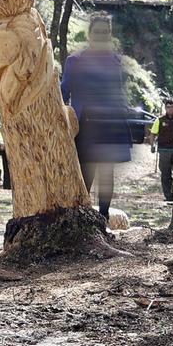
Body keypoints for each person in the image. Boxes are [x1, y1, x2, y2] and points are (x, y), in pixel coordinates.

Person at [60, 14, 132, 220]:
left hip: (110, 124)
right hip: (85, 125)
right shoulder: (75, 61)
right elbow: (63, 91)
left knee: (107, 174)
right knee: (85, 173)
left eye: (105, 32)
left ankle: (102, 216)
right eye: (97, 31)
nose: (101, 35)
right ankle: (82, 215)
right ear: (89, 34)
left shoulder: (116, 61)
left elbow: (117, 91)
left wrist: (123, 107)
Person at [149, 99, 173, 204]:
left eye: (172, 107)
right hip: (163, 150)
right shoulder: (159, 120)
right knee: (165, 174)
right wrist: (152, 145)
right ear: (165, 108)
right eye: (168, 107)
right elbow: (153, 134)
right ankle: (168, 196)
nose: (170, 109)